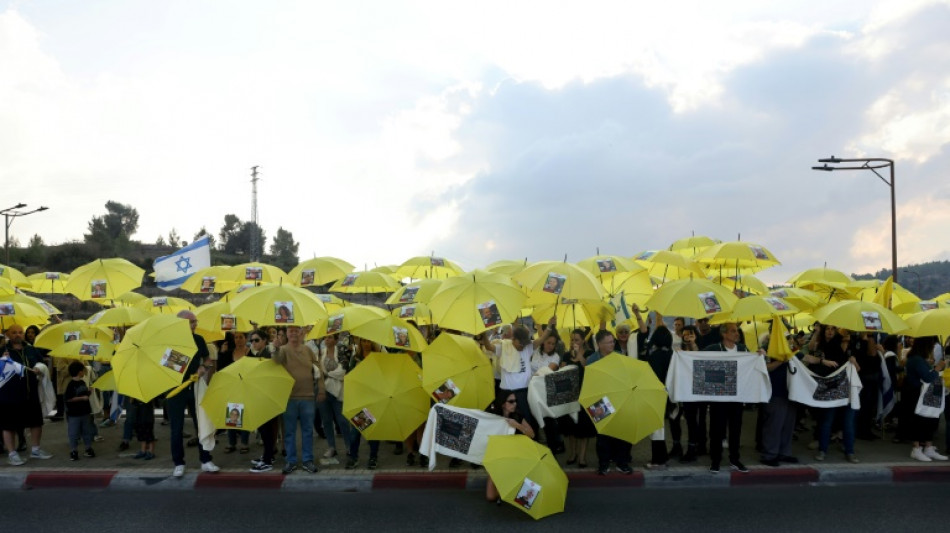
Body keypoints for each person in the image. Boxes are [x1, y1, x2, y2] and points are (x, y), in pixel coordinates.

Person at [167, 310, 219, 477]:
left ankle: (205, 460)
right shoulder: (171, 341)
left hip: (196, 387)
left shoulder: (199, 339)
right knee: (177, 428)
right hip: (176, 388)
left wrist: (203, 368)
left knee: (201, 423)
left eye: (195, 321)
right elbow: (167, 364)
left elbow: (207, 360)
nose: (195, 324)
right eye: (191, 322)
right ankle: (179, 463)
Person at [274, 325, 325, 474]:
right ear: (287, 334)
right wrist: (276, 348)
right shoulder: (282, 350)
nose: (294, 333)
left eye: (296, 330)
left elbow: (318, 371)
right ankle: (291, 461)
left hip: (308, 397)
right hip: (289, 397)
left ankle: (307, 460)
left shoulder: (308, 350)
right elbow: (276, 362)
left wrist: (321, 390)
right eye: (291, 330)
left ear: (301, 332)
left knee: (308, 431)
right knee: (289, 432)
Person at [1, 324, 53, 465]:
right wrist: (3, 360)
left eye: (20, 332)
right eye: (14, 333)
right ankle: (12, 453)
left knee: (36, 422)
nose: (18, 335)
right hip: (9, 395)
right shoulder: (3, 350)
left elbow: (42, 364)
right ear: (8, 335)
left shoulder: (31, 349)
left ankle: (36, 450)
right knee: (9, 425)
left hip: (31, 393)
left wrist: (39, 368)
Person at [586, 330, 633, 475]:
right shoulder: (592, 360)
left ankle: (622, 463)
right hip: (599, 402)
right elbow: (590, 383)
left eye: (613, 341)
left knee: (622, 434)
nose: (613, 344)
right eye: (609, 342)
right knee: (602, 437)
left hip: (619, 400)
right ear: (599, 344)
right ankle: (603, 464)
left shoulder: (620, 357)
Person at [811, 326, 860, 464]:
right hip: (831, 390)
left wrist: (854, 362)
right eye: (830, 329)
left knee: (848, 423)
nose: (843, 332)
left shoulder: (853, 347)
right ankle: (822, 450)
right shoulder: (828, 346)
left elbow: (858, 369)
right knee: (827, 421)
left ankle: (850, 451)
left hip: (848, 391)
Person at [706, 322, 749, 473]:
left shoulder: (743, 349)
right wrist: (683, 353)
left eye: (737, 331)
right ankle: (715, 460)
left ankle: (735, 459)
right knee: (716, 430)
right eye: (733, 331)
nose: (737, 334)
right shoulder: (713, 349)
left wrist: (759, 355)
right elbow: (697, 359)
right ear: (724, 334)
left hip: (737, 397)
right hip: (719, 398)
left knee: (736, 429)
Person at [900, 336, 948, 462]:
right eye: (931, 346)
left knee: (928, 420)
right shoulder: (917, 360)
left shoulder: (918, 359)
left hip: (920, 393)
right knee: (919, 421)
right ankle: (917, 448)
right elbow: (927, 377)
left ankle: (928, 447)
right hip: (916, 394)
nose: (932, 348)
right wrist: (937, 368)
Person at [485, 390, 535, 503]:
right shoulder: (493, 416)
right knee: (490, 497)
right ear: (503, 403)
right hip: (497, 458)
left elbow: (532, 434)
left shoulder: (517, 415)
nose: (515, 404)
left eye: (515, 401)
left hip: (514, 456)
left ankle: (513, 491)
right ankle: (506, 489)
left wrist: (517, 425)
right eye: (511, 401)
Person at [316, 333, 352, 465]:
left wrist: (326, 374)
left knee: (342, 420)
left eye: (330, 337)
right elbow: (317, 371)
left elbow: (343, 371)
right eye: (325, 337)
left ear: (336, 340)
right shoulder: (321, 352)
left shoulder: (341, 351)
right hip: (323, 391)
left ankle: (349, 446)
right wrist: (326, 376)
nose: (327, 339)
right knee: (326, 421)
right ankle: (331, 447)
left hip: (338, 391)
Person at [679, 324, 707, 463]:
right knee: (690, 419)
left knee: (701, 419)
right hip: (687, 389)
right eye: (684, 334)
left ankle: (701, 446)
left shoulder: (701, 347)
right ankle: (692, 447)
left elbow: (701, 359)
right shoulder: (681, 349)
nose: (687, 337)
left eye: (690, 334)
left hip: (700, 388)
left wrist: (693, 344)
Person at [224, 331, 251, 454]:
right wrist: (221, 353)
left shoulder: (251, 353)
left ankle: (244, 443)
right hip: (231, 387)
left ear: (246, 339)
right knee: (232, 413)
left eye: (241, 337)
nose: (238, 340)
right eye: (236, 337)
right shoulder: (229, 353)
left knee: (244, 415)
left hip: (246, 387)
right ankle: (232, 442)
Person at [64, 362, 95, 461]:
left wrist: (89, 391)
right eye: (83, 370)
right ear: (79, 372)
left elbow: (85, 395)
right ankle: (74, 450)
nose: (84, 372)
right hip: (74, 414)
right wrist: (82, 398)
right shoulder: (71, 385)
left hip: (85, 412)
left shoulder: (83, 383)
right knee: (73, 433)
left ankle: (88, 448)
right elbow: (68, 399)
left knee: (87, 431)